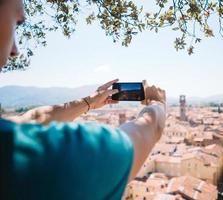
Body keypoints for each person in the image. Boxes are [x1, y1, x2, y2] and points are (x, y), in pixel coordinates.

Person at [0, 0, 166, 199]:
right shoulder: (32, 155)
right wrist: (158, 105)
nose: (15, 50)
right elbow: (138, 138)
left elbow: (33, 118)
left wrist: (90, 102)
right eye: (16, 23)